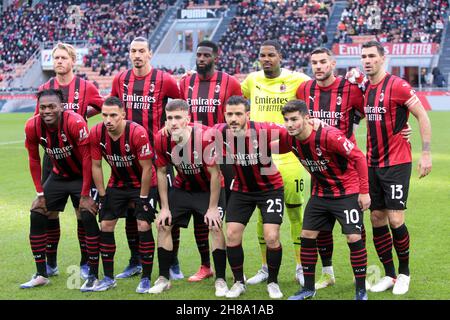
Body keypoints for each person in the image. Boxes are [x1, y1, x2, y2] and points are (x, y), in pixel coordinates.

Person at [275, 100, 371, 300]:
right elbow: (270, 144)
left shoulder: (330, 136)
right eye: (286, 120)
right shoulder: (290, 138)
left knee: (353, 237)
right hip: (320, 194)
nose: (290, 124)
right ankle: (308, 289)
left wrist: (364, 192)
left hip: (347, 191)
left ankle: (360, 290)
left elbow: (359, 158)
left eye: (294, 119)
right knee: (307, 234)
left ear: (307, 118)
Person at [360, 41, 432, 295]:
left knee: (395, 218)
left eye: (371, 56)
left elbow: (422, 115)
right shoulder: (365, 88)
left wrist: (425, 152)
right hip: (371, 163)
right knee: (376, 218)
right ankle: (389, 274)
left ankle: (404, 273)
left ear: (383, 58)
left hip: (397, 163)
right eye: (364, 56)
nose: (367, 60)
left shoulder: (398, 86)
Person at [110, 37, 181, 280]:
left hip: (160, 155)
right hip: (128, 157)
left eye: (141, 51)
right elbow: (113, 108)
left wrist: (171, 131)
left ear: (150, 54)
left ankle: (172, 262)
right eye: (133, 51)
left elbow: (181, 107)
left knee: (168, 208)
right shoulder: (120, 79)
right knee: (132, 210)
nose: (137, 55)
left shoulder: (165, 80)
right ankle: (135, 260)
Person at [241, 40, 310, 285]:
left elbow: (320, 93)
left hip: (291, 158)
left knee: (295, 213)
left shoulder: (299, 80)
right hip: (262, 158)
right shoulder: (252, 80)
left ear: (280, 56)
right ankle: (264, 267)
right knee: (263, 215)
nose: (266, 59)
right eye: (262, 55)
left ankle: (302, 266)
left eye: (271, 55)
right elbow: (237, 99)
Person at [296, 47, 365, 290]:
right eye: (314, 62)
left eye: (323, 62)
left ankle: (361, 279)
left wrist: (402, 132)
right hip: (320, 172)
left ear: (333, 63)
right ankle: (327, 274)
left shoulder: (351, 89)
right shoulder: (304, 90)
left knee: (355, 230)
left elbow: (373, 114)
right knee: (320, 228)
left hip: (347, 171)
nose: (318, 66)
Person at [34, 43, 104, 280]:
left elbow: (105, 108)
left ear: (73, 60)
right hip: (52, 157)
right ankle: (50, 262)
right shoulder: (45, 87)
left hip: (80, 156)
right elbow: (39, 118)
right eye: (56, 58)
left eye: (63, 57)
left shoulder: (86, 87)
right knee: (48, 211)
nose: (59, 62)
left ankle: (85, 262)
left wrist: (83, 115)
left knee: (81, 211)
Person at [179, 40, 242, 282]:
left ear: (216, 56)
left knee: (227, 214)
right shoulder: (185, 82)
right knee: (200, 213)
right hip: (192, 155)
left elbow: (241, 114)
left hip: (223, 156)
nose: (201, 59)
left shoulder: (230, 82)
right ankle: (206, 265)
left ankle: (233, 267)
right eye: (199, 55)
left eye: (206, 55)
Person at [151, 99, 228, 297]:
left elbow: (215, 175)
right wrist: (165, 207)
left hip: (209, 189)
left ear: (188, 119)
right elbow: (160, 172)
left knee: (215, 225)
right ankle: (163, 279)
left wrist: (212, 208)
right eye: (169, 118)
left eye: (178, 117)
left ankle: (220, 279)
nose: (173, 122)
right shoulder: (161, 138)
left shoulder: (205, 137)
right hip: (183, 187)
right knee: (163, 224)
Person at [21, 89, 96, 288]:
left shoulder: (75, 122)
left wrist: (86, 193)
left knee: (86, 214)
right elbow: (34, 159)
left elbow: (88, 159)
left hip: (82, 175)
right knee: (37, 211)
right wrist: (40, 193)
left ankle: (88, 266)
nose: (47, 111)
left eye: (52, 106)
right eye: (43, 107)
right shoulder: (32, 126)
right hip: (58, 176)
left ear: (61, 107)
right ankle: (41, 272)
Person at [214, 96, 285, 299]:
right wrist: (173, 127)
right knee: (232, 234)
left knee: (271, 236)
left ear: (248, 114)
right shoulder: (221, 131)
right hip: (242, 190)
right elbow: (195, 130)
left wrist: (312, 123)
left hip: (270, 189)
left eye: (238, 114)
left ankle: (273, 282)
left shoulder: (263, 129)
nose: (234, 118)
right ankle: (238, 282)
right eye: (230, 114)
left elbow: (290, 129)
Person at [89, 96, 158, 292]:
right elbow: (96, 165)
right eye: (104, 115)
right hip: (118, 183)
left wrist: (144, 198)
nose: (108, 120)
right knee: (106, 224)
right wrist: (102, 195)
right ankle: (108, 278)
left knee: (143, 224)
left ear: (123, 115)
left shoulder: (137, 132)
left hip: (143, 184)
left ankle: (145, 278)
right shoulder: (97, 132)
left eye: (113, 115)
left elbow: (147, 168)